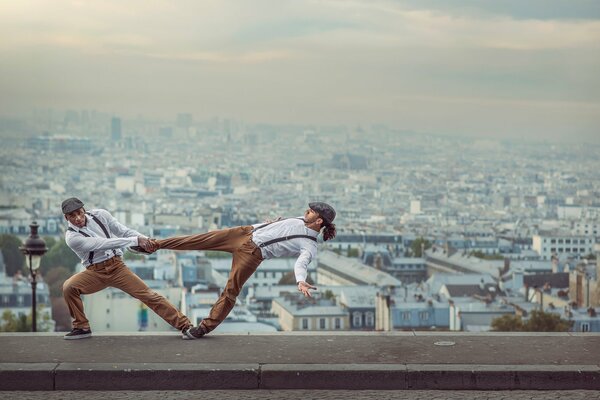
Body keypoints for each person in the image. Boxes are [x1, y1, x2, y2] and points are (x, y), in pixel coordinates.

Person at [145, 201, 336, 339]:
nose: (307, 211)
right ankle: (153, 245)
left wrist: (300, 280)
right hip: (245, 232)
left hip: (252, 253)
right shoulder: (299, 219)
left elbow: (301, 263)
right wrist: (269, 224)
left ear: (319, 222)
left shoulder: (309, 245)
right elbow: (280, 226)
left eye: (311, 211)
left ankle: (203, 329)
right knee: (199, 239)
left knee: (231, 291)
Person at [61, 197, 192, 340]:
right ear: (66, 217)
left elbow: (124, 231)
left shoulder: (100, 215)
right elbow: (102, 244)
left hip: (117, 268)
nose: (78, 218)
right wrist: (136, 241)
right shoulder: (71, 237)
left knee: (149, 296)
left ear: (84, 210)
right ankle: (81, 326)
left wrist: (145, 240)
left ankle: (186, 326)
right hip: (95, 272)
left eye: (79, 213)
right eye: (72, 216)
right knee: (69, 287)